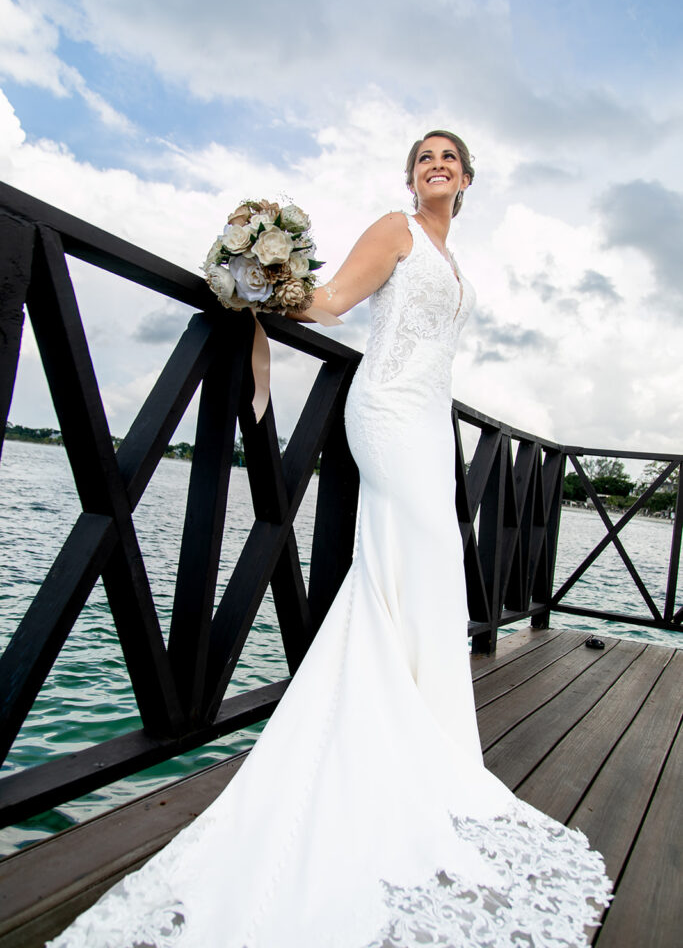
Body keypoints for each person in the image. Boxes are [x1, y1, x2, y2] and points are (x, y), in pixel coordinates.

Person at [48, 131, 611, 948]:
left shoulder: (456, 261)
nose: (435, 166)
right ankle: (390, 741)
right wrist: (255, 278)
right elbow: (332, 304)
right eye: (423, 158)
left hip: (426, 424)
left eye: (448, 158)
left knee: (427, 570)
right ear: (411, 177)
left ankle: (424, 743)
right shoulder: (396, 229)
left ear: (468, 178)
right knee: (410, 560)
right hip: (383, 414)